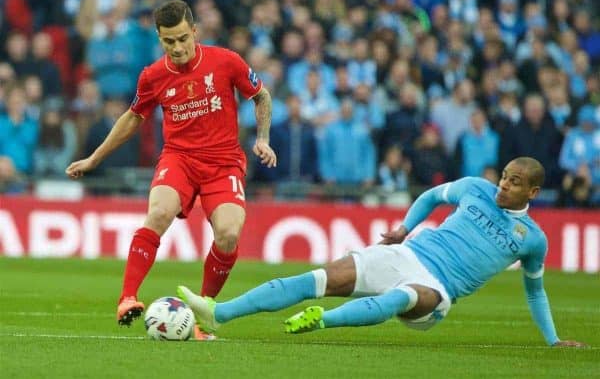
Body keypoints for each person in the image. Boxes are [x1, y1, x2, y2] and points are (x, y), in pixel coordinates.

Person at [177, 157, 585, 348]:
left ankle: (322, 321)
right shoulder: (475, 187)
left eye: (514, 183)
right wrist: (405, 228)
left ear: (532, 192)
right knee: (317, 278)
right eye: (504, 178)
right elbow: (429, 196)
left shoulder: (532, 238)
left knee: (404, 298)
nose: (503, 186)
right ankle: (217, 312)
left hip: (438, 290)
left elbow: (535, 291)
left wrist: (552, 340)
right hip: (408, 254)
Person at [65, 0, 277, 335]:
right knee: (158, 213)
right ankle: (127, 298)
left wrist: (262, 138)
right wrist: (94, 158)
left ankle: (203, 313)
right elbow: (133, 117)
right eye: (168, 41)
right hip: (178, 158)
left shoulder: (225, 61)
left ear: (194, 31)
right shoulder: (153, 76)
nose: (177, 48)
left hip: (223, 163)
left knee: (229, 233)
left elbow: (261, 96)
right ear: (159, 39)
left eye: (182, 39)